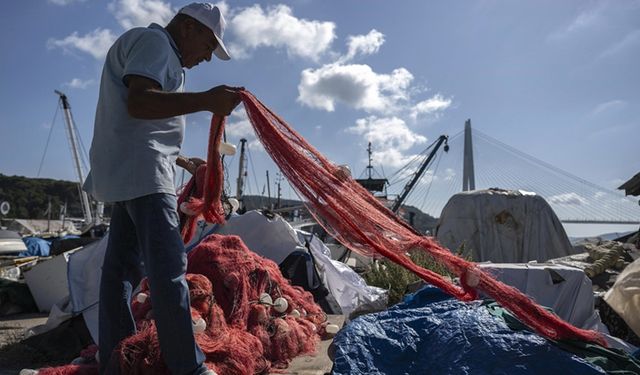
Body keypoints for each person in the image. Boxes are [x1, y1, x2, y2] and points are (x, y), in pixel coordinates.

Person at [83, 3, 241, 374]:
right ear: (188, 28)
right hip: (145, 175)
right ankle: (189, 367)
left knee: (120, 272)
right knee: (169, 270)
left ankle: (116, 360)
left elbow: (140, 122)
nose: (206, 58)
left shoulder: (154, 48)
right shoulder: (156, 44)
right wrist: (207, 100)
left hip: (128, 172)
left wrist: (183, 161)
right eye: (208, 45)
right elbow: (140, 102)